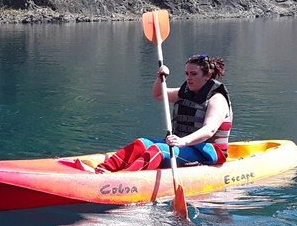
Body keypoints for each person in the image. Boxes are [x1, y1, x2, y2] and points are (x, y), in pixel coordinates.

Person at [96, 54, 233, 172]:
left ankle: (126, 178)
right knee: (141, 143)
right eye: (187, 74)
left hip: (208, 152)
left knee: (160, 150)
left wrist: (182, 141)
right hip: (183, 145)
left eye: (194, 74)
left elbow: (209, 130)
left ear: (207, 75)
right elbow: (159, 94)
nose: (188, 78)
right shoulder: (186, 93)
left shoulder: (217, 99)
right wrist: (161, 78)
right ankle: (104, 169)